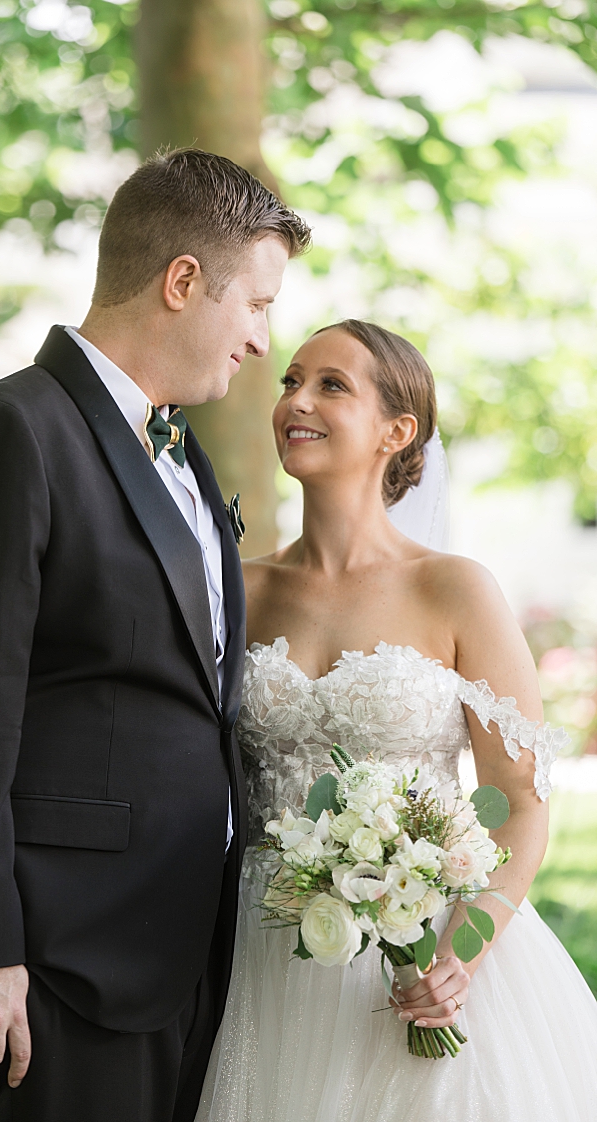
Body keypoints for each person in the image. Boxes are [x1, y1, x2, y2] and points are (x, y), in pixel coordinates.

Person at [0, 149, 311, 1121]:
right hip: (47, 960)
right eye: (257, 303)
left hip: (180, 949)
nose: (259, 341)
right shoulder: (12, 431)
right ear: (183, 282)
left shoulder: (183, 455)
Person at [195, 321, 597, 1120]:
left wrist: (462, 952)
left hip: (424, 959)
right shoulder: (236, 588)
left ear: (397, 430)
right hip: (264, 957)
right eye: (290, 380)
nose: (295, 401)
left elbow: (521, 801)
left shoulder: (455, 590)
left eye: (330, 386)